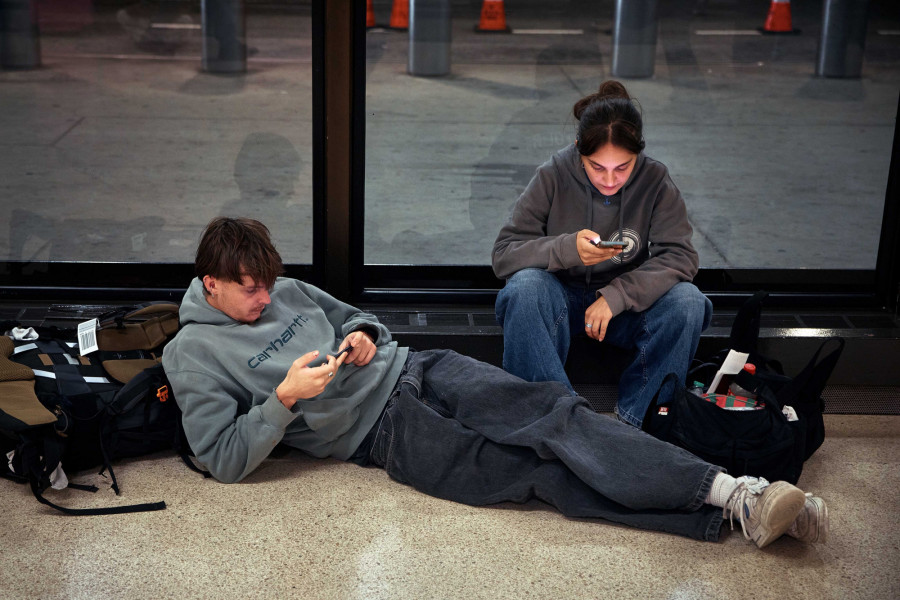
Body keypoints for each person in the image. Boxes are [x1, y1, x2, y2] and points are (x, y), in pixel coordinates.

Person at [161, 217, 828, 548]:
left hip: (418, 367)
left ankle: (738, 491)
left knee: (559, 417)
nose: (265, 299)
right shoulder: (192, 354)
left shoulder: (285, 290)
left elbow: (361, 320)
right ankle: (730, 514)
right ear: (210, 283)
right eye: (249, 291)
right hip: (382, 437)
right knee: (536, 475)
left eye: (269, 284)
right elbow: (222, 459)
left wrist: (362, 335)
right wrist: (283, 400)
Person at [492, 80, 712, 428]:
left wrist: (617, 296)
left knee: (688, 302)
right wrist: (565, 249)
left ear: (638, 153)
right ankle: (558, 421)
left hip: (624, 309)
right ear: (578, 150)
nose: (610, 181)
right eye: (597, 167)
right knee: (525, 289)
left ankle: (641, 423)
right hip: (560, 298)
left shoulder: (655, 179)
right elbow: (505, 254)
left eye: (622, 167)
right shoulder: (553, 174)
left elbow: (680, 256)